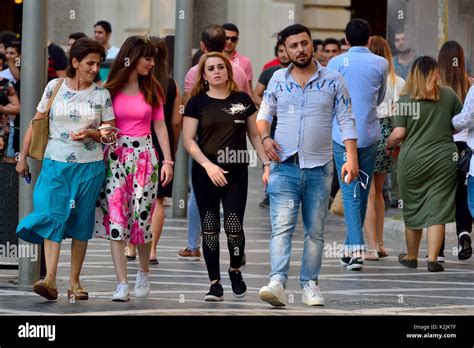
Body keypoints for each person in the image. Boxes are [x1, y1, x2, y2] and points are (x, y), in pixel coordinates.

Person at [257, 24, 358, 307]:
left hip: (319, 166)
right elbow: (264, 114)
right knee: (282, 227)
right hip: (284, 166)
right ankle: (277, 282)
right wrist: (265, 138)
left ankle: (310, 284)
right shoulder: (277, 79)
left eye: (304, 43)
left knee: (315, 230)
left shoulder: (334, 79)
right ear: (285, 51)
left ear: (311, 44)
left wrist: (351, 157)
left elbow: (347, 119)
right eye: (293, 46)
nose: (300, 49)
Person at [16, 38, 114, 301]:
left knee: (81, 222)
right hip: (54, 164)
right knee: (52, 213)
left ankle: (75, 282)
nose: (95, 69)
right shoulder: (54, 87)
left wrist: (93, 133)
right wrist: (22, 158)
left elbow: (111, 133)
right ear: (75, 62)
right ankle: (49, 279)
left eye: (98, 64)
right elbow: (35, 124)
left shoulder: (102, 95)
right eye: (90, 63)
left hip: (89, 168)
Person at [183, 51, 269, 301]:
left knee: (234, 226)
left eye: (221, 67)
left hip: (236, 171)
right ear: (204, 74)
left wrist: (265, 163)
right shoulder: (196, 103)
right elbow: (188, 140)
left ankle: (234, 269)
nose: (217, 71)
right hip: (205, 172)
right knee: (209, 227)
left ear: (228, 71)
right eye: (211, 68)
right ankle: (214, 283)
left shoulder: (242, 99)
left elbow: (254, 134)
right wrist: (208, 166)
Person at [94, 35, 174, 302]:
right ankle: (121, 283)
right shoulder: (109, 89)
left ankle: (143, 272)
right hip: (115, 156)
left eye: (153, 58)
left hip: (145, 158)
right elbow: (104, 126)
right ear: (132, 58)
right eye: (147, 58)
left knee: (141, 217)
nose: (152, 63)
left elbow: (160, 126)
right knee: (116, 219)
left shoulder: (154, 89)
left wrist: (168, 161)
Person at [177, 24, 250, 262]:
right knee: (228, 211)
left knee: (199, 199)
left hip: (206, 148)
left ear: (202, 45)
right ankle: (233, 251)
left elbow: (191, 108)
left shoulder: (195, 71)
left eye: (220, 68)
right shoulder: (241, 68)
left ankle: (192, 243)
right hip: (229, 154)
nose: (216, 72)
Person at [387, 56, 462, 272]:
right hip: (444, 158)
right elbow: (458, 123)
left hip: (412, 161)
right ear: (436, 73)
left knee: (413, 206)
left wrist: (388, 144)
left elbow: (399, 133)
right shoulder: (448, 95)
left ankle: (411, 256)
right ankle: (432, 259)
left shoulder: (405, 99)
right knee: (438, 208)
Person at [328, 19, 388, 271]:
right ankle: (349, 246)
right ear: (369, 39)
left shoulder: (334, 63)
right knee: (361, 190)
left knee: (352, 189)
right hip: (370, 133)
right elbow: (381, 96)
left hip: (342, 134)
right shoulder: (381, 63)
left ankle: (355, 249)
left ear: (346, 39)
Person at [364, 36, 405, 260]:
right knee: (379, 193)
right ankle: (379, 243)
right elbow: (402, 113)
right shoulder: (397, 81)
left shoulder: (369, 79)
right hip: (391, 131)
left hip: (372, 130)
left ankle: (371, 246)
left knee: (369, 193)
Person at [148, 36, 183, 264]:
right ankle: (152, 250)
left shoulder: (139, 82)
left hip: (138, 141)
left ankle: (132, 247)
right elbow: (177, 121)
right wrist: (173, 149)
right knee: (158, 200)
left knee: (136, 197)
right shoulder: (171, 84)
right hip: (163, 145)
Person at [438, 40, 472, 261]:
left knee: (439, 195)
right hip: (464, 149)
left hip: (441, 145)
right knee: (461, 194)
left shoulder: (436, 86)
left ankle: (438, 251)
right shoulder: (470, 84)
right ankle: (463, 233)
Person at [222, 23, 254, 94]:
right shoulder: (213, 59)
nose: (229, 41)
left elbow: (249, 91)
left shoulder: (246, 62)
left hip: (238, 103)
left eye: (233, 39)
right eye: (226, 38)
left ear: (237, 40)